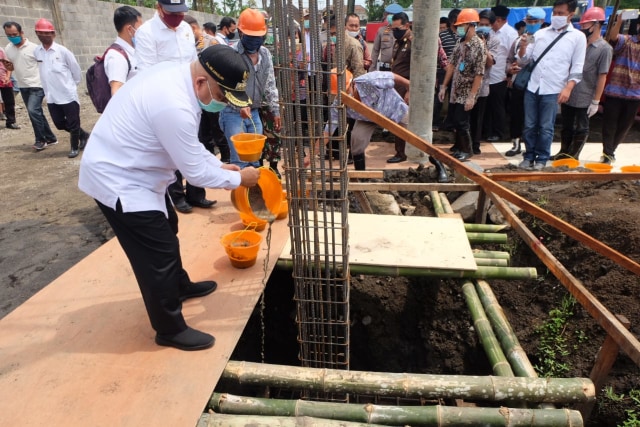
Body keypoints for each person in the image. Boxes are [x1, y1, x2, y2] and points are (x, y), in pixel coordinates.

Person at [78, 45, 260, 351]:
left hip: (139, 170)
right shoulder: (174, 105)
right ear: (202, 82)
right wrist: (240, 177)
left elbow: (189, 148)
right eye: (221, 94)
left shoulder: (177, 77)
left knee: (169, 225)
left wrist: (219, 165)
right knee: (156, 255)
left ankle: (179, 285)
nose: (222, 102)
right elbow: (196, 174)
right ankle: (169, 328)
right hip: (119, 179)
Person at [135, 0, 215, 214]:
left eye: (181, 12)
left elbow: (193, 63)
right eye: (173, 12)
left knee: (194, 144)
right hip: (165, 101)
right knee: (171, 151)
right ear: (159, 7)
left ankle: (197, 194)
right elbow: (147, 74)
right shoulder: (146, 33)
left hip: (189, 98)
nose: (178, 17)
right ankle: (177, 196)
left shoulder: (186, 30)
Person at [516, 0, 586, 170]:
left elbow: (577, 66)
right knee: (529, 125)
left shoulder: (578, 37)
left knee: (546, 127)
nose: (556, 16)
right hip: (533, 86)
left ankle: (542, 158)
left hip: (553, 88)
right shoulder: (539, 34)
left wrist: (568, 88)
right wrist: (523, 47)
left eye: (561, 13)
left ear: (571, 14)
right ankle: (529, 156)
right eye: (555, 12)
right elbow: (524, 60)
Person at [220, 8, 280, 168]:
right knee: (239, 160)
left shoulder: (265, 54)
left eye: (257, 36)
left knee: (254, 160)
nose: (254, 40)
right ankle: (239, 193)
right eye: (250, 36)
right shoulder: (231, 54)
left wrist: (275, 110)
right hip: (233, 114)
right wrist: (239, 105)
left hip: (253, 112)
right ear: (240, 32)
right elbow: (224, 87)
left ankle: (251, 193)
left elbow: (270, 84)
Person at [554, 7, 612, 161]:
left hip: (586, 95)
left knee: (581, 127)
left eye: (586, 25)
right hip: (569, 91)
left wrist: (596, 100)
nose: (582, 27)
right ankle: (563, 151)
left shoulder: (604, 49)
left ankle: (574, 155)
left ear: (596, 25)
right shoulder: (578, 43)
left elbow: (602, 76)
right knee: (566, 125)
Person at [33, 18, 90, 158]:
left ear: (53, 34)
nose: (44, 36)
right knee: (59, 123)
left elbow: (76, 72)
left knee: (73, 122)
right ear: (36, 34)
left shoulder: (63, 52)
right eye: (40, 33)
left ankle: (74, 147)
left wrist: (70, 87)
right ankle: (83, 135)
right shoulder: (37, 52)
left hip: (67, 94)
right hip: (51, 95)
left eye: (47, 33)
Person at [438, 8, 487, 162]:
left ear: (471, 25)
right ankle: (459, 147)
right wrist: (444, 86)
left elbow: (479, 73)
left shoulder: (478, 46)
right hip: (455, 89)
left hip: (467, 90)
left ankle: (467, 150)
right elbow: (452, 65)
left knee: (462, 121)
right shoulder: (460, 43)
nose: (459, 28)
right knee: (455, 120)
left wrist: (472, 96)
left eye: (462, 25)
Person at [3, 21, 57, 150]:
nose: (12, 37)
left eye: (14, 34)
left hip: (37, 84)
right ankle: (51, 137)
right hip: (23, 86)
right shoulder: (8, 49)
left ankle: (40, 140)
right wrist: (8, 74)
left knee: (33, 111)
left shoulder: (34, 48)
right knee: (36, 112)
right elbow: (10, 65)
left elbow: (46, 65)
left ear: (21, 33)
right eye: (8, 35)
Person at [504, 8, 547, 157]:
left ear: (542, 22)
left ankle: (533, 146)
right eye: (530, 21)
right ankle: (516, 143)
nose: (532, 24)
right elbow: (509, 59)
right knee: (516, 114)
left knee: (535, 118)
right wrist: (510, 70)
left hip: (539, 85)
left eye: (536, 21)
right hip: (519, 83)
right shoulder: (519, 40)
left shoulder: (546, 40)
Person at [600, 11, 640, 165]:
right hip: (615, 91)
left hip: (635, 94)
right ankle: (608, 153)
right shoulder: (627, 41)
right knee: (609, 124)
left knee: (624, 126)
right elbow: (613, 37)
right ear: (638, 26)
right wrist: (619, 21)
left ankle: (611, 150)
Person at [483, 5, 518, 143]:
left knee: (498, 106)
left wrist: (510, 75)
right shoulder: (489, 32)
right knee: (486, 106)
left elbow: (513, 56)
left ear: (498, 20)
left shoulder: (511, 33)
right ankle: (487, 131)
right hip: (486, 75)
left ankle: (499, 132)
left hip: (500, 76)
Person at [387, 11, 413, 164]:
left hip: (406, 87)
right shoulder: (399, 42)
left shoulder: (412, 43)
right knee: (398, 119)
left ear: (407, 25)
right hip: (397, 86)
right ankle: (400, 150)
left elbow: (416, 69)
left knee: (402, 120)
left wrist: (410, 90)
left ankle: (401, 152)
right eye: (393, 29)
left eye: (397, 29)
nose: (395, 32)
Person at [470, 12, 497, 155]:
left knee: (478, 118)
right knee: (464, 117)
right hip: (466, 85)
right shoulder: (469, 38)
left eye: (487, 25)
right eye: (481, 24)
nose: (483, 27)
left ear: (491, 26)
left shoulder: (494, 41)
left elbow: (490, 62)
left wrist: (484, 46)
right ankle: (462, 143)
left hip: (482, 86)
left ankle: (475, 143)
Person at [105, 6, 142, 97]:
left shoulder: (131, 51)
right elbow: (116, 92)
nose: (142, 32)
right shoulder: (117, 56)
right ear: (129, 29)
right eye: (140, 29)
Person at [370, 3, 403, 72]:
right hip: (384, 68)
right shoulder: (381, 31)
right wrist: (372, 68)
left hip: (399, 69)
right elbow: (375, 51)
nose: (392, 17)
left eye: (394, 15)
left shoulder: (404, 31)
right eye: (389, 14)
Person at [0, 45, 19, 130]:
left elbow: (8, 65)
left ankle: (11, 121)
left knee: (9, 101)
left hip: (3, 79)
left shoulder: (1, 51)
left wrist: (7, 77)